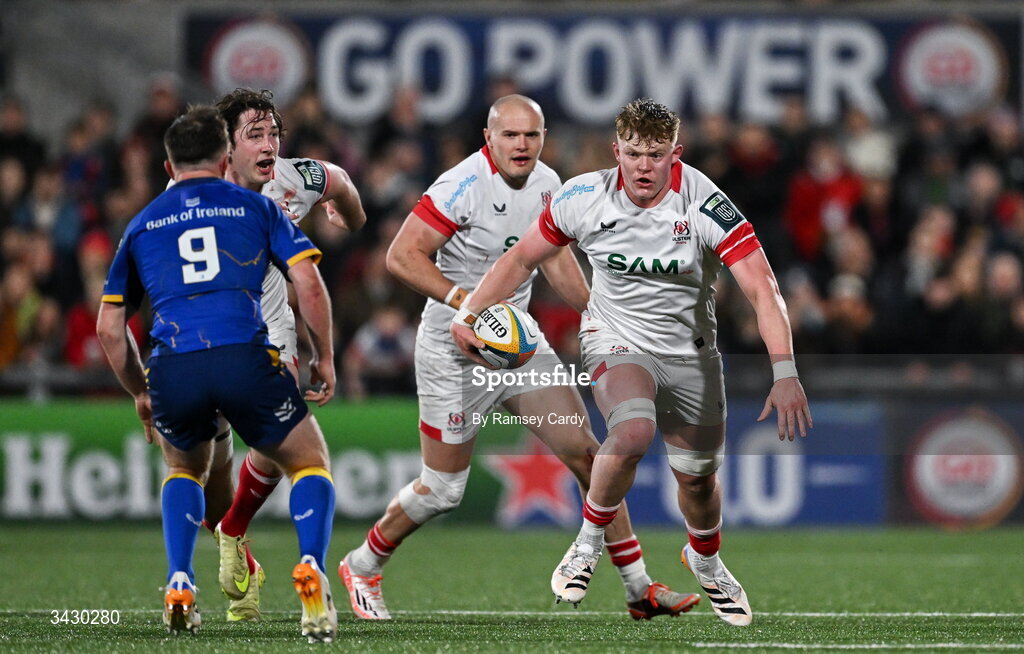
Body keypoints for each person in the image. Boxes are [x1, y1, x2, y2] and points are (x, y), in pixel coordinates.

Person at [337, 95, 699, 621]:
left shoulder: (551, 186)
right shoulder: (460, 186)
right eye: (510, 135)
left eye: (531, 135)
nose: (522, 145)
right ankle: (363, 563)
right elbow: (401, 256)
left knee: (591, 455)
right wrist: (469, 306)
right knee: (442, 490)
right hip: (453, 350)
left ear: (543, 138)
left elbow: (555, 259)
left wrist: (602, 316)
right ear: (489, 139)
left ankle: (638, 587)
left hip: (519, 349)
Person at [451, 98, 812, 626]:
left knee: (697, 481)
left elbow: (763, 288)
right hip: (613, 338)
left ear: (676, 154)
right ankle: (587, 543)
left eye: (657, 154)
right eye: (635, 153)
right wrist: (469, 313)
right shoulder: (582, 197)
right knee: (633, 430)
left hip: (691, 352)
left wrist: (786, 373)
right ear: (616, 150)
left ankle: (706, 561)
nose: (645, 166)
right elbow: (521, 258)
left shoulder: (705, 203)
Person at [96, 106, 339, 641]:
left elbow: (110, 327)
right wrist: (324, 355)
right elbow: (310, 284)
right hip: (243, 356)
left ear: (167, 165)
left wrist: (140, 391)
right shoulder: (253, 205)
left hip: (174, 364)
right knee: (308, 462)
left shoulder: (142, 224)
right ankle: (312, 568)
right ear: (226, 157)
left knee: (185, 470)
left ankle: (180, 580)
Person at [197, 88, 365, 622]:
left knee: (287, 441)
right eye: (256, 135)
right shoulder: (194, 192)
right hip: (204, 341)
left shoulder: (296, 178)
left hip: (271, 335)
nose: (270, 145)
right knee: (211, 485)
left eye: (275, 134)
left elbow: (340, 181)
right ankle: (233, 539)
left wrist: (349, 215)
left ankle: (250, 541)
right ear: (227, 145)